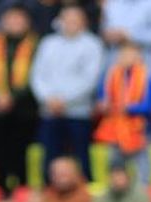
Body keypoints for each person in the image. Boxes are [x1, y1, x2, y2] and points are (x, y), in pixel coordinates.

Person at [31, 4, 105, 177]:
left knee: (81, 158)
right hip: (49, 110)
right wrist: (48, 98)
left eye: (75, 19)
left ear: (84, 22)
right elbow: (37, 75)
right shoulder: (48, 43)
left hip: (78, 112)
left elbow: (90, 79)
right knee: (49, 158)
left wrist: (64, 100)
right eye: (67, 19)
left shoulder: (93, 44)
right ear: (59, 21)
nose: (70, 23)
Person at [0, 6, 40, 192]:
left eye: (19, 19)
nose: (15, 23)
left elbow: (37, 76)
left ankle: (22, 191)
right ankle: (1, 190)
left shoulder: (36, 44)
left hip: (26, 108)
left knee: (22, 152)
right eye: (11, 19)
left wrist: (12, 97)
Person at [93, 41, 151, 187]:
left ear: (138, 57)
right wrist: (103, 105)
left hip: (139, 129)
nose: (126, 57)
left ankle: (142, 195)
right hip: (115, 128)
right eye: (124, 54)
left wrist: (128, 108)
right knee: (115, 168)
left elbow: (150, 105)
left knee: (142, 172)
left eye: (131, 54)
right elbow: (103, 98)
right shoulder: (110, 75)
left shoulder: (147, 77)